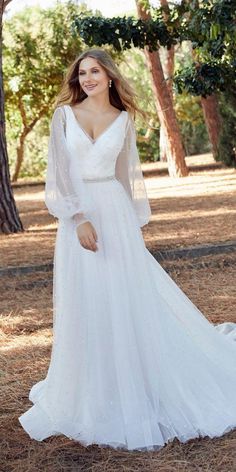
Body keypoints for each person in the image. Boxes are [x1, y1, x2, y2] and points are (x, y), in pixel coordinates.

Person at [19, 48, 236, 452]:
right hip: (77, 219)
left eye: (95, 71)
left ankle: (137, 378)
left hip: (115, 217)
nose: (87, 78)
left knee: (125, 298)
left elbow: (125, 177)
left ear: (110, 76)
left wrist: (128, 229)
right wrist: (78, 217)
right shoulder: (64, 116)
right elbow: (59, 176)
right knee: (88, 300)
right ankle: (95, 383)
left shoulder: (123, 120)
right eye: (82, 72)